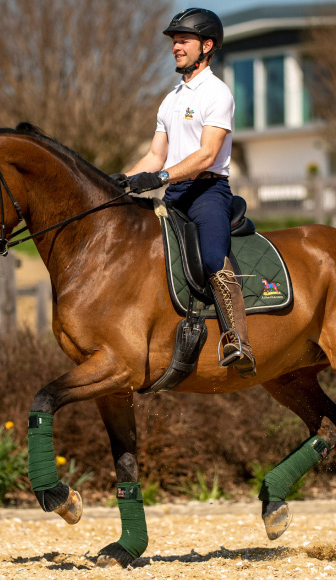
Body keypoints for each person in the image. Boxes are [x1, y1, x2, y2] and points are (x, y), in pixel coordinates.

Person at [111, 8, 255, 378]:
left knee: (210, 257)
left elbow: (206, 154)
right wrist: (119, 182)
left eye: (183, 39)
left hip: (208, 192)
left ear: (206, 46)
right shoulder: (170, 98)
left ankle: (237, 338)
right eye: (174, 40)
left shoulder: (217, 93)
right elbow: (154, 154)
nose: (175, 46)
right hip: (175, 191)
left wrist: (159, 176)